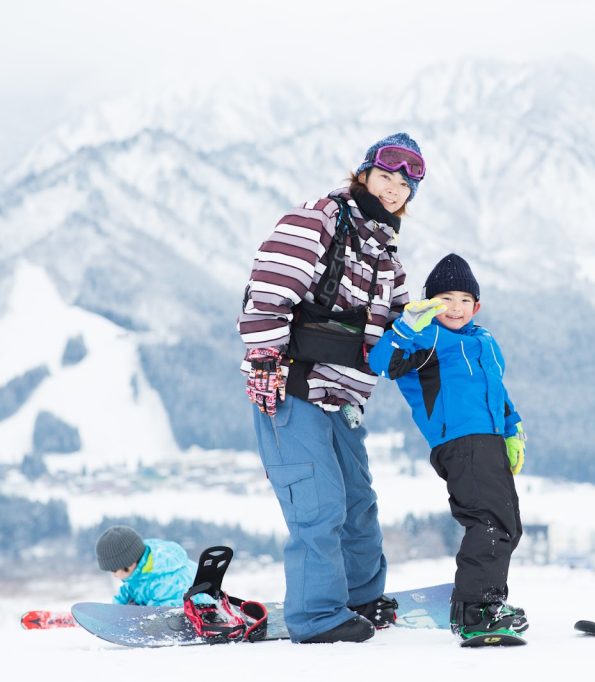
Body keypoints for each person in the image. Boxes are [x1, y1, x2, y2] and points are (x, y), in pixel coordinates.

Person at [238, 132, 426, 644]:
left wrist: (423, 335)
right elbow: (270, 287)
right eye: (385, 177)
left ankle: (361, 598)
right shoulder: (319, 219)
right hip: (293, 385)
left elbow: (398, 324)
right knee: (318, 506)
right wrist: (264, 361)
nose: (392, 190)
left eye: (403, 185)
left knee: (359, 505)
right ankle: (318, 616)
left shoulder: (386, 252)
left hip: (343, 398)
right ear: (363, 174)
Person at [367, 253, 527, 642]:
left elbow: (496, 391)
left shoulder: (484, 341)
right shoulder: (425, 336)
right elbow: (381, 362)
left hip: (488, 439)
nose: (455, 308)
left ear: (477, 305)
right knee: (488, 522)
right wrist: (406, 325)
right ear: (429, 303)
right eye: (445, 299)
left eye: (464, 300)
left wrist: (511, 428)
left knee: (508, 525)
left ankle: (487, 601)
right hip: (459, 441)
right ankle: (476, 610)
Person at [95, 525, 197, 607]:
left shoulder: (164, 580)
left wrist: (136, 613)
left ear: (128, 563)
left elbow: (162, 615)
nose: (114, 575)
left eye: (114, 570)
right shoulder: (138, 573)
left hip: (197, 615)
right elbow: (128, 592)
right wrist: (114, 612)